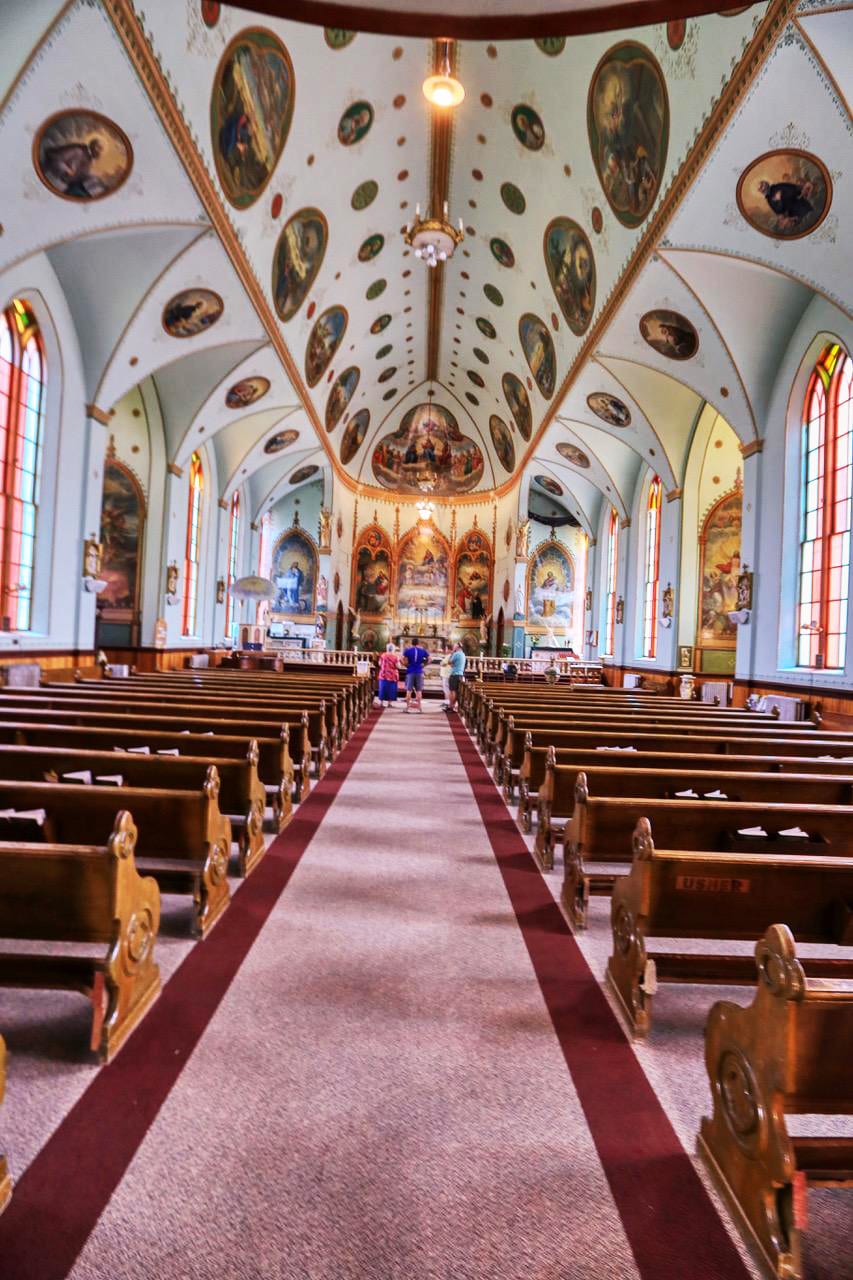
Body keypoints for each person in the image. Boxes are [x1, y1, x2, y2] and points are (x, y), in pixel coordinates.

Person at [402, 639, 430, 713]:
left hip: (410, 671)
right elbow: (430, 659)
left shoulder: (408, 650)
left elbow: (403, 660)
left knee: (409, 690)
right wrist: (423, 665)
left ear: (412, 643)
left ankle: (407, 708)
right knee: (419, 691)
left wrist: (406, 666)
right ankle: (420, 708)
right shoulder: (422, 650)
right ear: (418, 643)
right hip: (419, 672)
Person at [376, 642, 399, 709]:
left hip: (383, 674)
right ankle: (389, 703)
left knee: (382, 688)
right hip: (392, 675)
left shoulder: (383, 655)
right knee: (391, 689)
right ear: (393, 649)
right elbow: (398, 666)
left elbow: (379, 664)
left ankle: (381, 703)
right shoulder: (395, 656)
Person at [446, 641, 466, 713]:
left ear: (457, 647)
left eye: (454, 646)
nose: (453, 647)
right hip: (460, 674)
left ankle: (451, 706)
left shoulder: (456, 654)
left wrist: (451, 654)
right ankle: (453, 706)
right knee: (456, 691)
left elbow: (449, 662)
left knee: (452, 691)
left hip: (454, 675)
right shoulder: (463, 654)